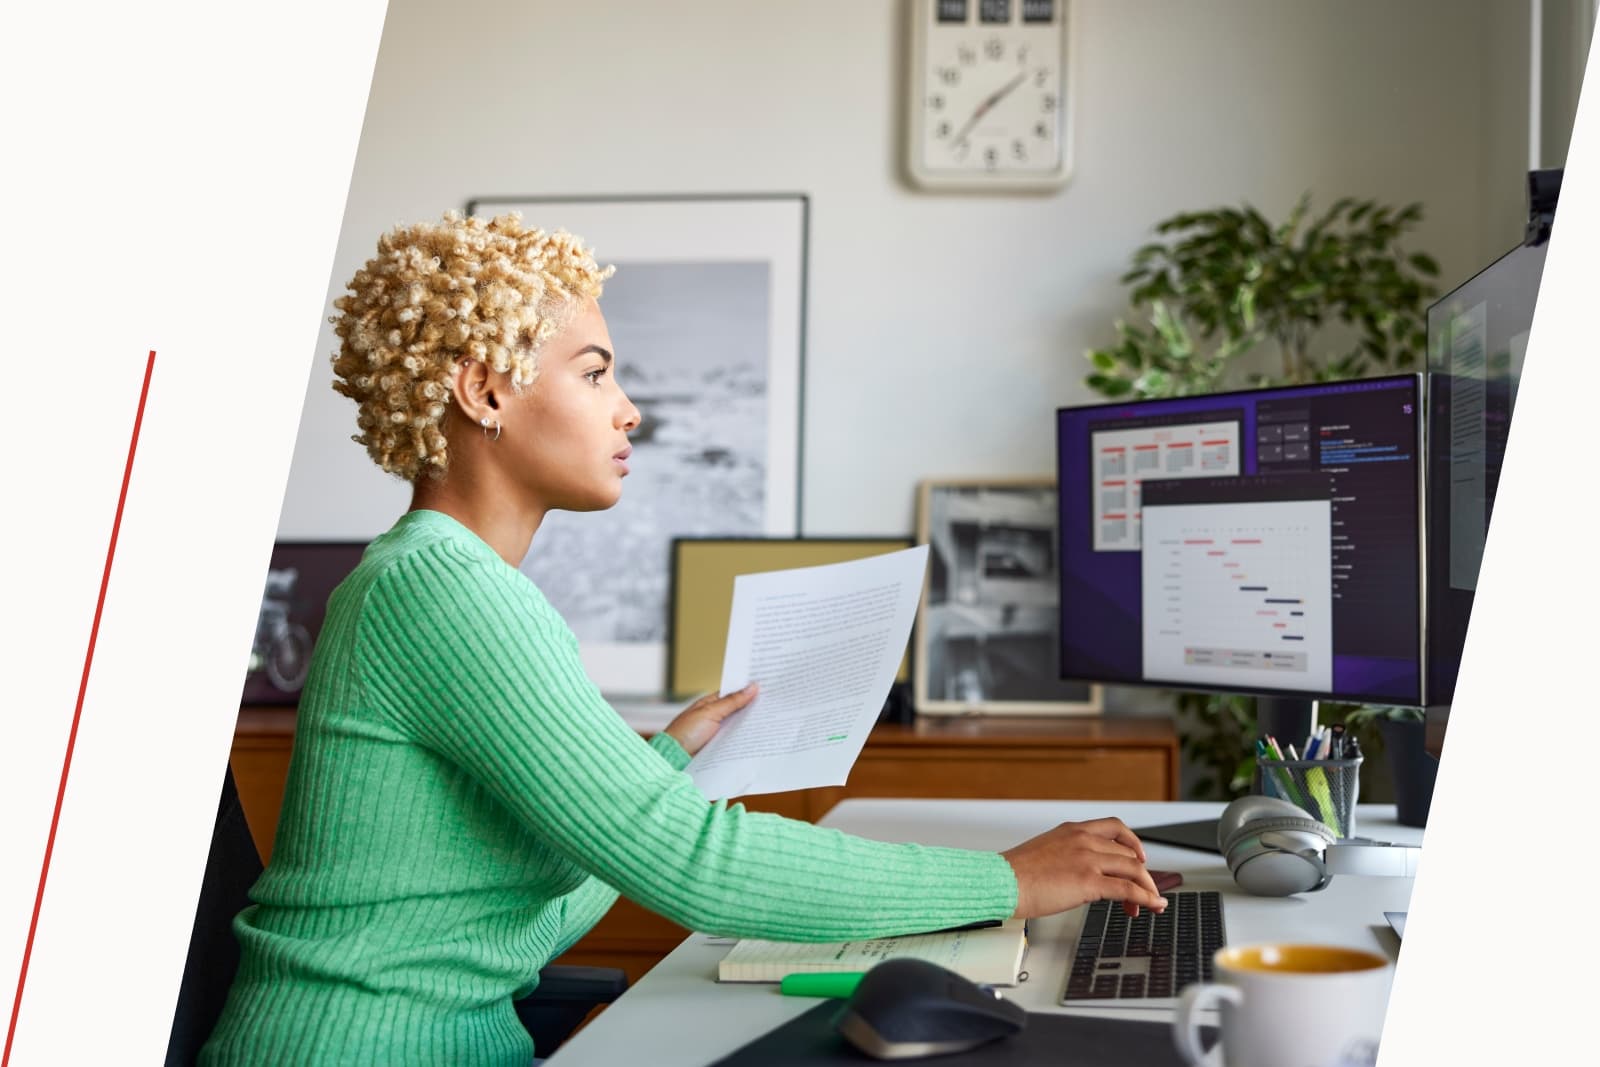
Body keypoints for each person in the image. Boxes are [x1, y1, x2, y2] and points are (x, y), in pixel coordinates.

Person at [199, 212, 1167, 1066]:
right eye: (594, 373)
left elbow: (532, 908)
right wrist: (1007, 879)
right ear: (484, 391)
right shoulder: (439, 590)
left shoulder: (442, 579)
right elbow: (688, 865)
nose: (631, 408)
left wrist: (667, 761)